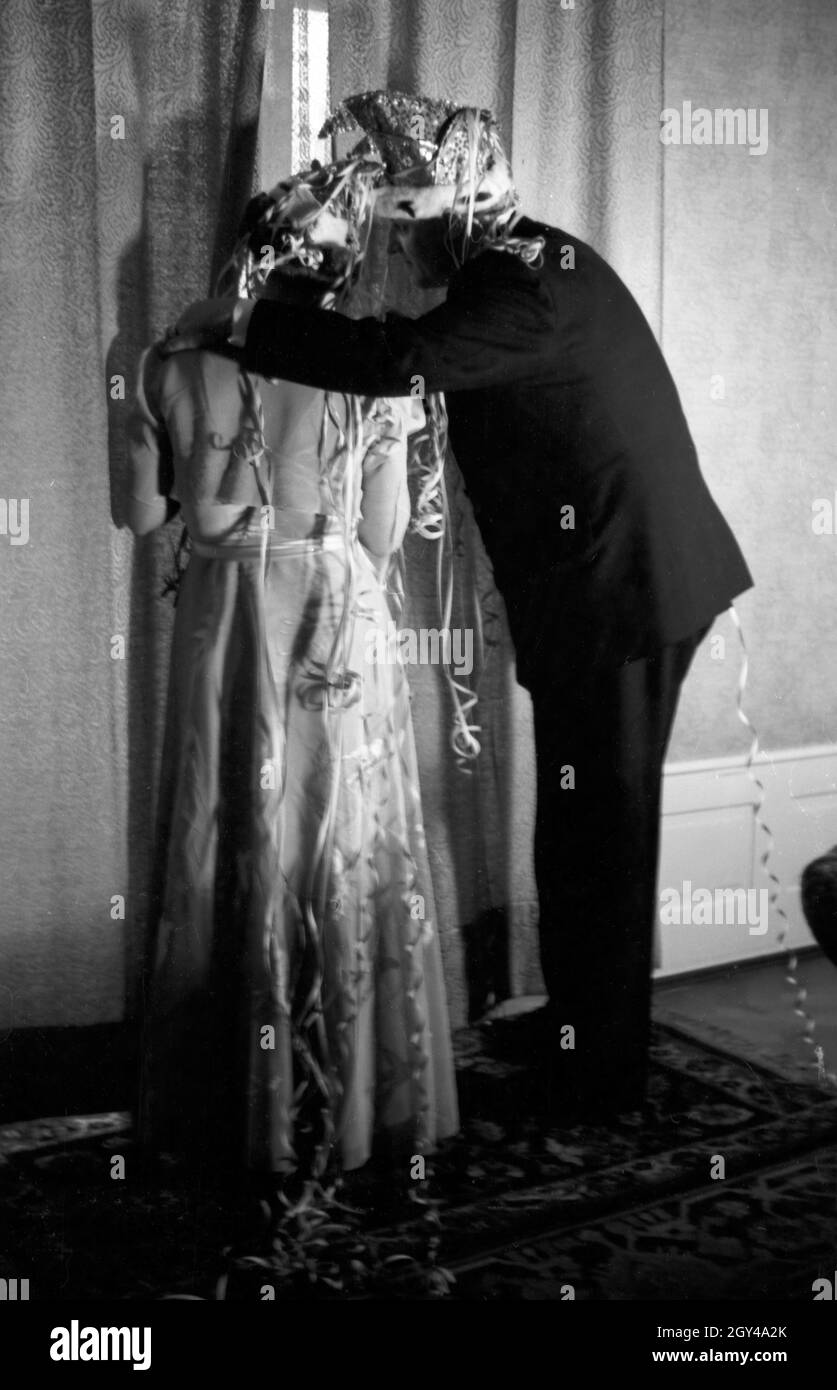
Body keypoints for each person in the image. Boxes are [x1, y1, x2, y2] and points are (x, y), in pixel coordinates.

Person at [163, 91, 754, 1122]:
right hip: (613, 582)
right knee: (582, 826)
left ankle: (598, 1078)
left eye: (408, 217)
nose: (398, 241)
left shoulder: (518, 287)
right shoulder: (524, 267)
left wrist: (249, 323)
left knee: (599, 836)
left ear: (458, 208)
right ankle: (579, 1026)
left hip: (628, 588)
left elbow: (399, 363)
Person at [124, 152, 459, 1189]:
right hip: (333, 616)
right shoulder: (369, 376)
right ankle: (352, 1106)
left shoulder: (158, 364)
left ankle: (231, 1107)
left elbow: (139, 518)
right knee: (342, 843)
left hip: (231, 621)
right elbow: (384, 532)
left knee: (228, 836)